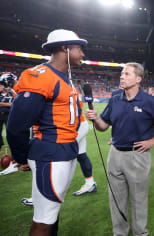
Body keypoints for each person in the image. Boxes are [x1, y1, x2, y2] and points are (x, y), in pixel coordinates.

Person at [6, 29, 86, 235]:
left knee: (52, 212)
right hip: (51, 154)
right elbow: (16, 124)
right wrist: (21, 157)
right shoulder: (40, 75)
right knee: (44, 220)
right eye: (79, 48)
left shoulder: (65, 77)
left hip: (65, 152)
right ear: (65, 48)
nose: (83, 54)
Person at [85, 62, 154, 236]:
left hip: (137, 157)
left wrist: (153, 141)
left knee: (138, 200)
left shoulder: (149, 101)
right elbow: (103, 126)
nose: (122, 77)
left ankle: (140, 233)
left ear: (138, 79)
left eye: (126, 74)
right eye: (122, 74)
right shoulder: (115, 97)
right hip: (115, 154)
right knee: (116, 200)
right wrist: (96, 119)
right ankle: (120, 233)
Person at [72, 90, 97, 196]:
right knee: (81, 155)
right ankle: (90, 183)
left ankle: (43, 193)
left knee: (58, 156)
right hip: (80, 124)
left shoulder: (61, 83)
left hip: (75, 126)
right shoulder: (69, 85)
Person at [0, 73, 16, 151]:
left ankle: (13, 149)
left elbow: (14, 104)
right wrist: (8, 104)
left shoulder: (12, 93)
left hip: (9, 115)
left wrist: (2, 104)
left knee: (10, 132)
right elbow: (10, 104)